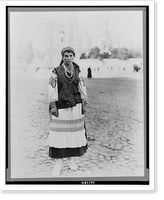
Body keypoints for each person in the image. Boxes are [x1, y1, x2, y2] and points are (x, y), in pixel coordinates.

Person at [47, 47, 88, 177]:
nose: (68, 58)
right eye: (66, 55)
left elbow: (82, 87)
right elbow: (52, 88)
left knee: (72, 133)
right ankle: (58, 164)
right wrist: (53, 104)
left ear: (73, 57)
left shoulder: (77, 70)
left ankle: (71, 160)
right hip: (61, 106)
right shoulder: (56, 71)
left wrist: (84, 102)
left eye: (70, 55)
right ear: (62, 57)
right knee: (60, 134)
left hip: (75, 106)